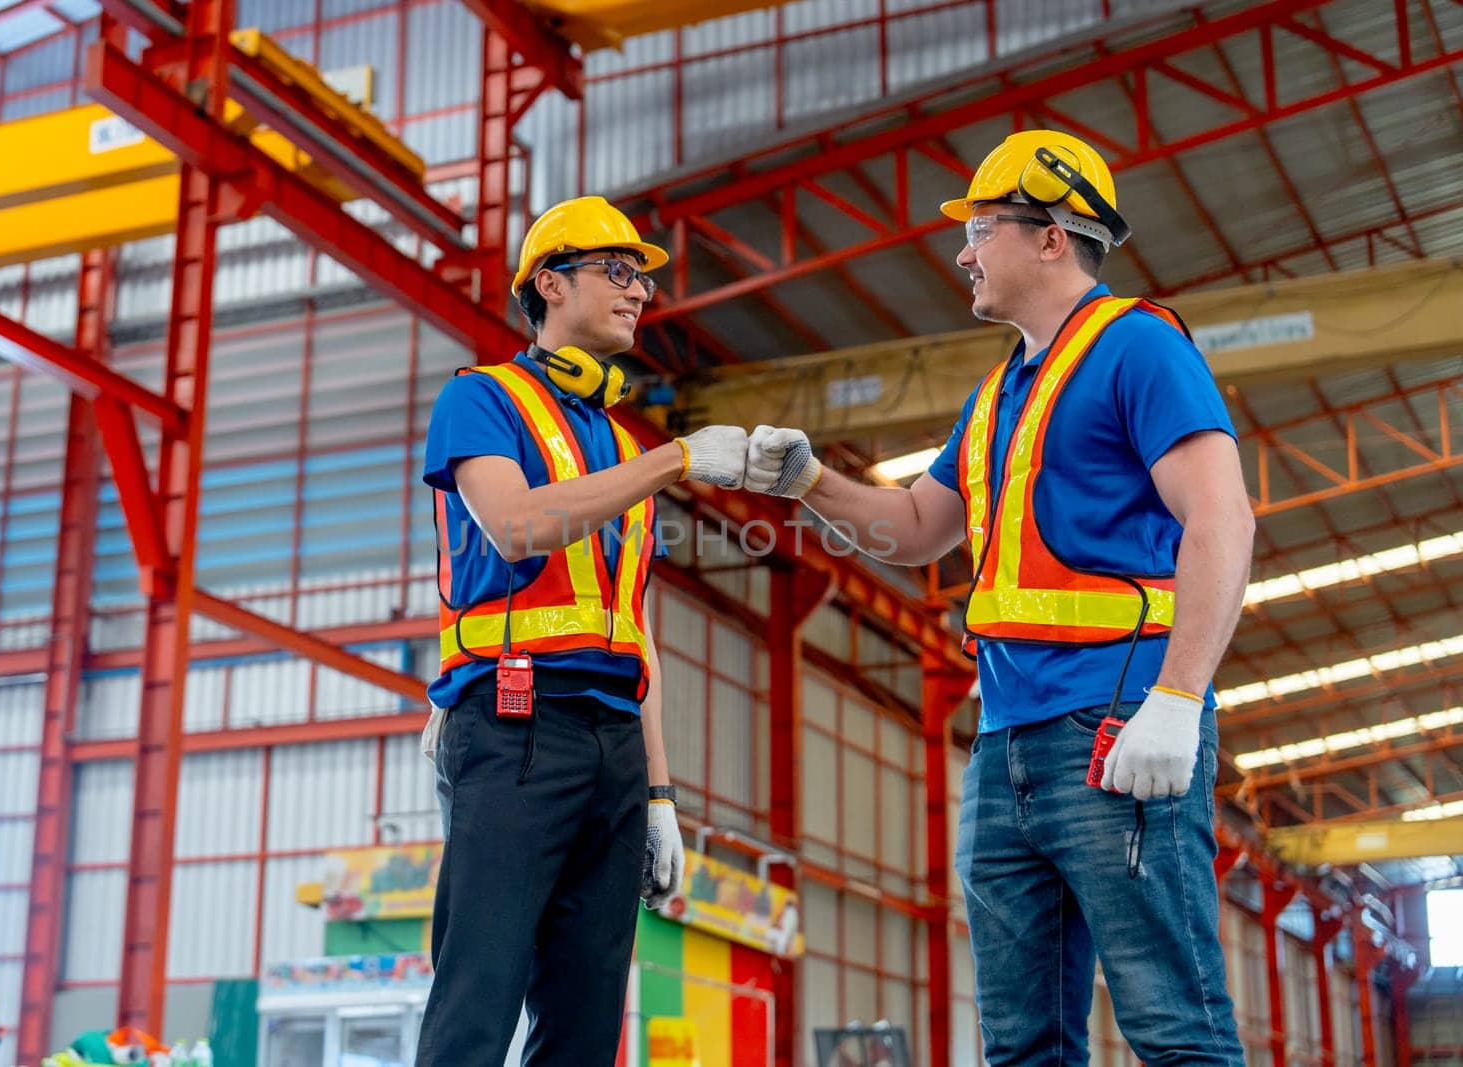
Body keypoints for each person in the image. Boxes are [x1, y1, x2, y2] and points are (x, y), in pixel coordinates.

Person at [741, 131, 1255, 1065]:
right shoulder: (994, 397)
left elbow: (1223, 521)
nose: (964, 253)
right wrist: (810, 479)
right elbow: (913, 527)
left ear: (1053, 237)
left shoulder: (1140, 346)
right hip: (1006, 745)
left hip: (1115, 726)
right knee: (1020, 1045)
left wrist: (1178, 700)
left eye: (981, 230)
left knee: (1175, 1028)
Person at [415, 194, 750, 1065]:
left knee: (585, 1021)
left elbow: (634, 633)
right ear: (549, 284)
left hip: (611, 747)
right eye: (619, 270)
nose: (640, 290)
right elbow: (518, 525)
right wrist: (674, 459)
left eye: (642, 276)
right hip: (514, 726)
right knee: (475, 1003)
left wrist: (661, 794)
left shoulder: (614, 440)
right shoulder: (481, 401)